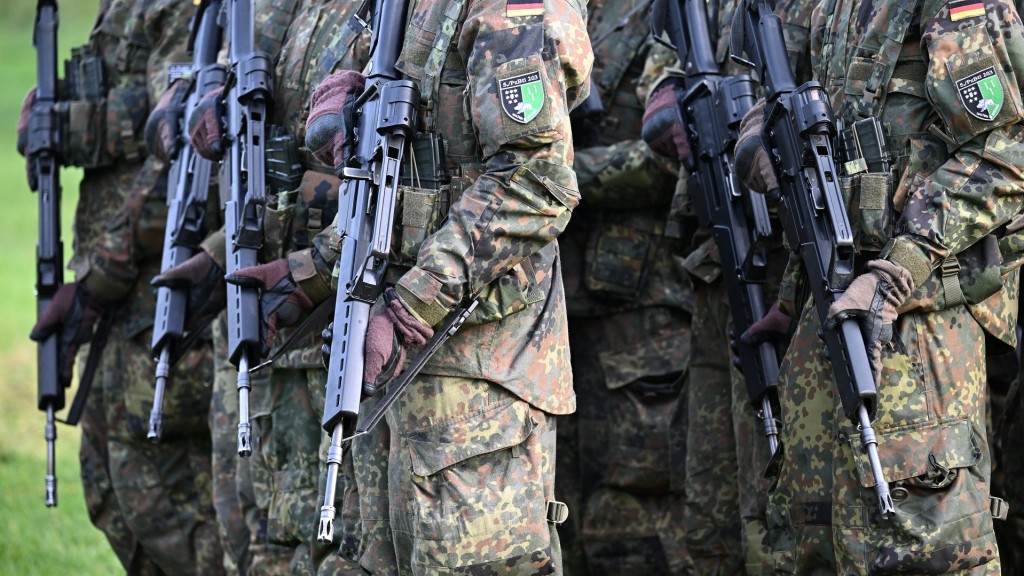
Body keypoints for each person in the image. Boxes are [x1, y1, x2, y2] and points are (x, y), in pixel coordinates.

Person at [211, 0, 593, 570]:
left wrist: (409, 307)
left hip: (473, 385)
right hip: (382, 366)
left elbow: (537, 181)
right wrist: (312, 272)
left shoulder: (508, 10)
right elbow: (401, 180)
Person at [734, 0, 1024, 570]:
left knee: (919, 547)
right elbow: (804, 133)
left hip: (918, 323)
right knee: (811, 538)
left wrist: (896, 272)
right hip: (829, 308)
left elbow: (1007, 149)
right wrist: (757, 146)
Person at [149, 1, 371, 573]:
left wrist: (307, 266)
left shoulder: (383, 14)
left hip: (327, 322)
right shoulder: (280, 10)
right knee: (246, 529)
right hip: (261, 303)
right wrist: (216, 254)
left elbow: (371, 172)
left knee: (320, 542)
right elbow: (268, 158)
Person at [20, 0, 225, 573]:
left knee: (165, 501)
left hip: (164, 289)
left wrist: (99, 277)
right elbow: (125, 92)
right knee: (110, 489)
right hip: (114, 291)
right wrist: (54, 113)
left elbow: (180, 142)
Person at [552, 0, 693, 572]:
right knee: (556, 511)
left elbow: (679, 154)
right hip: (553, 311)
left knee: (636, 520)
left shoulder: (671, 15)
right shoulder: (551, 11)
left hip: (642, 315)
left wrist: (555, 176)